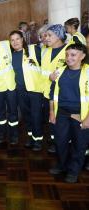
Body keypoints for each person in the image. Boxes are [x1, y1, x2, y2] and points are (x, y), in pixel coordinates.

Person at [48, 43, 89, 183]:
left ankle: (74, 170)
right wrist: (52, 112)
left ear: (82, 56)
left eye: (73, 55)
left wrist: (87, 118)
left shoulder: (88, 72)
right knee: (60, 142)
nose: (69, 58)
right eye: (67, 55)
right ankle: (61, 165)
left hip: (81, 115)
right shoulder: (59, 72)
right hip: (62, 114)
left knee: (79, 144)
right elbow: (52, 94)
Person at [9, 30, 44, 150]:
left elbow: (44, 67)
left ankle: (38, 139)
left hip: (35, 89)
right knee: (27, 115)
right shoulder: (11, 56)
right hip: (20, 90)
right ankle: (30, 137)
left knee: (36, 115)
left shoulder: (34, 50)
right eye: (12, 40)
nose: (15, 42)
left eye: (17, 39)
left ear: (22, 39)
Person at [42, 24, 69, 153]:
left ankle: (64, 143)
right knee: (51, 118)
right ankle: (54, 141)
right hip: (49, 93)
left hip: (65, 95)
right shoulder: (46, 51)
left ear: (59, 36)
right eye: (46, 35)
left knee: (63, 121)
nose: (46, 38)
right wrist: (49, 77)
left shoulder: (69, 50)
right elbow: (43, 71)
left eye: (49, 35)